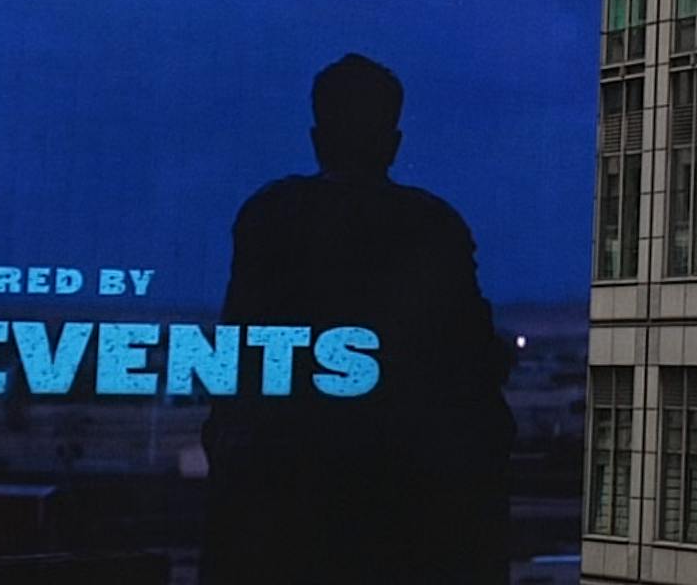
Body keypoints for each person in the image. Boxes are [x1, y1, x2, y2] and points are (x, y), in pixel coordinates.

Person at [203, 54, 515, 584]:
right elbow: (472, 367)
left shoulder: (271, 217)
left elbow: (241, 362)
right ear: (393, 144)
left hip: (285, 517)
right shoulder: (432, 226)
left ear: (316, 137)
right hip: (406, 518)